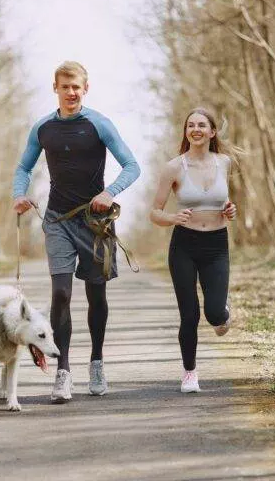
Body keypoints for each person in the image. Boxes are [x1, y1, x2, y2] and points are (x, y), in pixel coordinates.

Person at [12, 61, 140, 403]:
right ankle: (63, 372)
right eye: (65, 86)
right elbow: (24, 167)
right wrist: (19, 194)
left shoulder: (99, 124)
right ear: (55, 87)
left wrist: (109, 192)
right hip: (57, 221)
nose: (71, 92)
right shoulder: (43, 128)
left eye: (76, 87)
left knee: (97, 296)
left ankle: (96, 362)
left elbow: (132, 165)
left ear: (86, 89)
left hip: (95, 224)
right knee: (62, 294)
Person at [149, 107, 237, 393]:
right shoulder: (174, 167)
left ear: (212, 132)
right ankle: (190, 373)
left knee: (213, 314)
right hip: (184, 245)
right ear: (186, 132)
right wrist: (173, 218)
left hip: (216, 245)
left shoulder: (225, 162)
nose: (195, 129)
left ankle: (222, 313)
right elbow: (155, 211)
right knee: (189, 315)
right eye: (190, 125)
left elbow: (224, 200)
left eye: (201, 125)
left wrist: (230, 209)